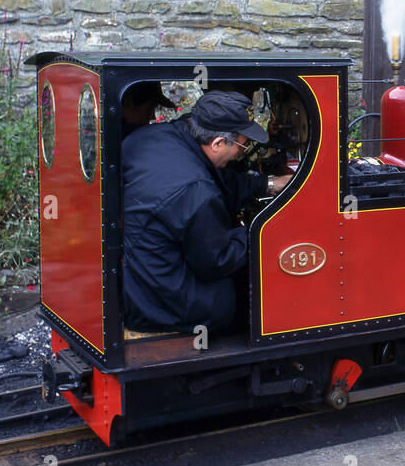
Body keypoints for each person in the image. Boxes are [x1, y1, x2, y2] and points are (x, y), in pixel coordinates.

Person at [122, 90, 286, 335]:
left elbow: (213, 177)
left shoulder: (152, 137)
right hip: (157, 301)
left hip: (133, 272)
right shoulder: (197, 192)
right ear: (218, 143)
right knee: (242, 291)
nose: (245, 150)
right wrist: (264, 231)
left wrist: (267, 184)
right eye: (244, 145)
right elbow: (217, 261)